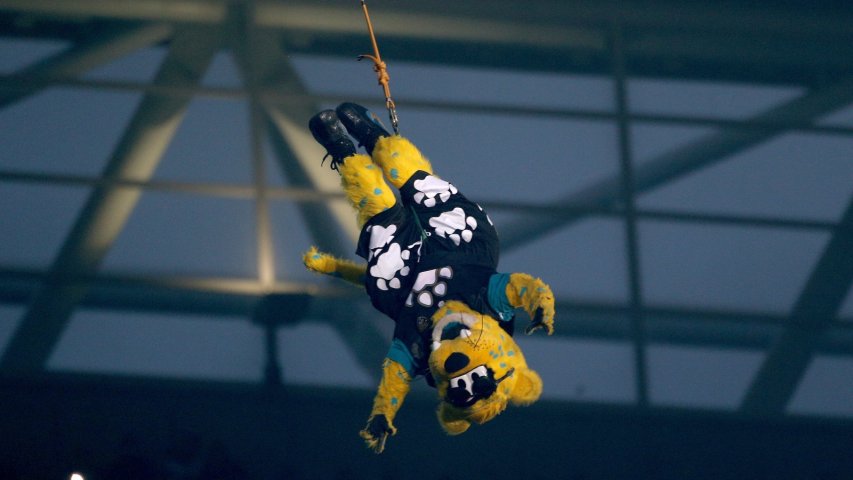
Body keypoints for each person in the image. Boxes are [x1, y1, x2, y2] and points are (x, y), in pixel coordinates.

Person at [304, 103, 555, 453]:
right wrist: (541, 306)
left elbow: (395, 378)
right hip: (460, 238)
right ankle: (373, 135)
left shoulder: (418, 347)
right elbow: (521, 286)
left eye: (453, 385)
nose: (455, 365)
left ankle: (344, 152)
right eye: (478, 378)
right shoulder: (491, 307)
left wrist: (382, 413)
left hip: (404, 264)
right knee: (409, 175)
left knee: (377, 201)